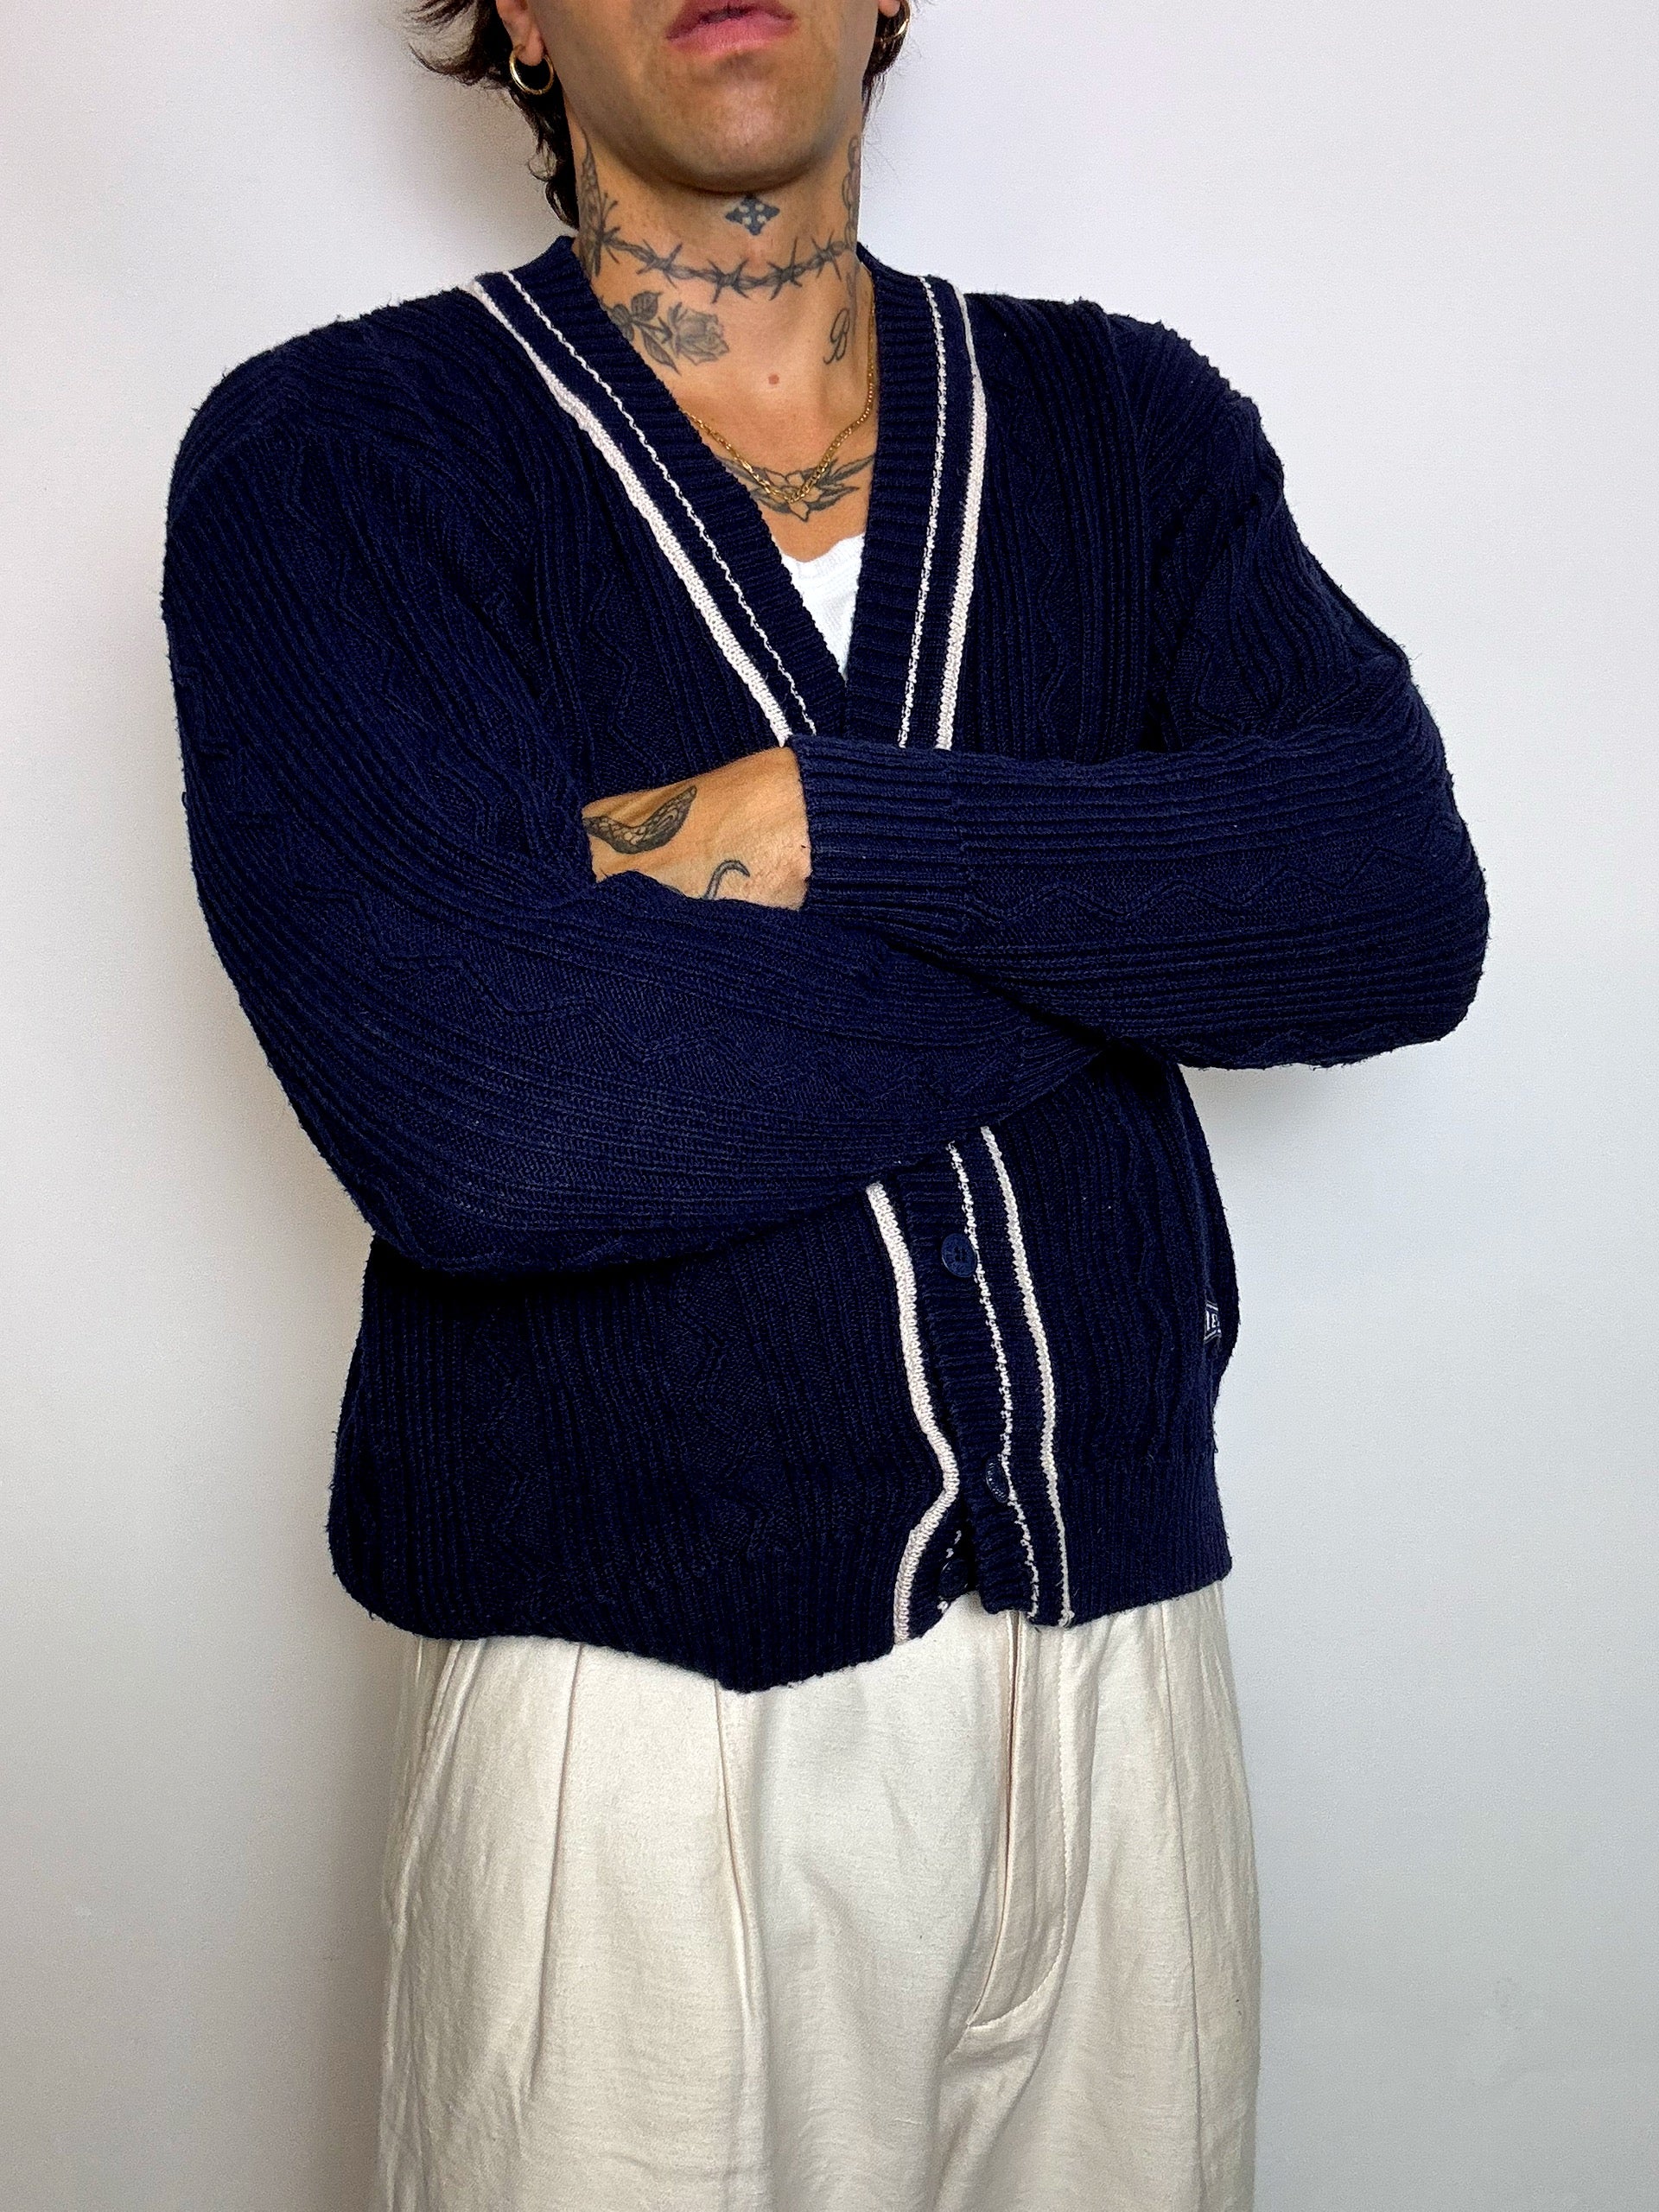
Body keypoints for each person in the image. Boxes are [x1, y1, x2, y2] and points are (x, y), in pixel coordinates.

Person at [160, 1, 1490, 2203]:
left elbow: (1395, 910)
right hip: (629, 1730)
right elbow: (497, 1116)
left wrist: (820, 823)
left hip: (1125, 1680)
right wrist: (1146, 920)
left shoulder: (1126, 429)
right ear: (509, 11)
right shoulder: (344, 459)